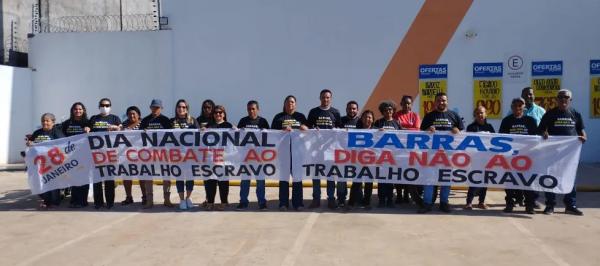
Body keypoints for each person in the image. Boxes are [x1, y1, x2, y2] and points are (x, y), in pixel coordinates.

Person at [539, 89, 587, 216]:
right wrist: (544, 133)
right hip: (553, 153)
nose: (562, 99)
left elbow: (581, 131)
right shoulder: (550, 114)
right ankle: (550, 205)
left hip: (569, 154)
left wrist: (583, 137)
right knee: (550, 178)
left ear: (570, 100)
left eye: (566, 97)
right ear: (556, 99)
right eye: (560, 97)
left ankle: (570, 205)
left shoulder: (575, 114)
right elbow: (541, 130)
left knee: (570, 178)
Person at [418, 92, 464, 213]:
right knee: (429, 179)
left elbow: (462, 134)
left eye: (443, 100)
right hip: (431, 155)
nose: (441, 102)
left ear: (447, 102)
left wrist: (457, 130)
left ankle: (444, 203)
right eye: (439, 100)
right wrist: (428, 130)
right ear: (435, 102)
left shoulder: (454, 115)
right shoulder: (429, 116)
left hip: (448, 155)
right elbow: (421, 133)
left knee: (446, 179)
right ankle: (427, 203)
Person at [499, 98, 539, 214]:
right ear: (512, 107)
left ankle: (529, 206)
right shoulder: (506, 121)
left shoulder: (530, 120)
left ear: (524, 107)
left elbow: (535, 138)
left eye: (520, 105)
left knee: (528, 182)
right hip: (511, 157)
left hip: (527, 156)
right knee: (510, 181)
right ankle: (510, 204)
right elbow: (501, 137)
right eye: (515, 105)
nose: (518, 107)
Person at [306, 89, 342, 209]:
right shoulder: (313, 112)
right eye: (323, 97)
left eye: (327, 97)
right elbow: (307, 127)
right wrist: (311, 129)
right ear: (320, 98)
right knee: (316, 175)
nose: (325, 99)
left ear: (330, 98)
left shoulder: (335, 112)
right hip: (315, 149)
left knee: (330, 175)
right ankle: (316, 199)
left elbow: (340, 130)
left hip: (330, 151)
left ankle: (331, 199)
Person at [272, 95, 308, 211]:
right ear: (284, 104)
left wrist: (305, 128)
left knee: (297, 179)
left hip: (298, 153)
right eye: (288, 102)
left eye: (292, 102)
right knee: (284, 179)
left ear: (295, 104)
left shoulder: (301, 117)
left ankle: (298, 203)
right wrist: (282, 131)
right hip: (283, 154)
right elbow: (272, 134)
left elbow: (309, 132)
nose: (290, 104)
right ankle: (283, 203)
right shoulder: (278, 117)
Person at [26, 113, 66, 209]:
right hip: (39, 163)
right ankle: (47, 200)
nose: (45, 122)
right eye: (43, 120)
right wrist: (29, 143)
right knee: (41, 182)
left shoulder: (57, 132)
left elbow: (63, 145)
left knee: (52, 183)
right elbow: (31, 142)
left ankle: (54, 202)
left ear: (53, 122)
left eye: (47, 120)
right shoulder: (37, 133)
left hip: (53, 163)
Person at [236, 100, 270, 211]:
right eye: (249, 109)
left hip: (259, 157)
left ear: (258, 109)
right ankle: (243, 202)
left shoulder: (263, 121)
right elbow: (238, 138)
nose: (251, 111)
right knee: (245, 180)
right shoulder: (243, 121)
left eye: (253, 109)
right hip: (246, 157)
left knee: (260, 181)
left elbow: (269, 138)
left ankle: (262, 202)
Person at [139, 99, 173, 208]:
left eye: (157, 108)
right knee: (148, 177)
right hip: (149, 153)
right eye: (153, 107)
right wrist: (142, 132)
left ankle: (167, 200)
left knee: (166, 176)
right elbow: (138, 137)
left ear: (161, 108)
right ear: (150, 107)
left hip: (163, 153)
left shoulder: (166, 120)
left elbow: (171, 137)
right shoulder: (145, 120)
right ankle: (150, 201)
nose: (155, 109)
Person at [89, 98, 122, 209]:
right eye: (103, 105)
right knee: (97, 179)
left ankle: (110, 202)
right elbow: (88, 130)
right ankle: (98, 203)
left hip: (109, 153)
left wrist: (116, 127)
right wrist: (87, 129)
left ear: (110, 106)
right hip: (96, 153)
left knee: (109, 179)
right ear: (99, 106)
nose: (105, 107)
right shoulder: (94, 118)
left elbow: (122, 130)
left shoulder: (115, 118)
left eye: (107, 105)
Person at [464, 105, 495, 210]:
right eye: (477, 113)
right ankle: (469, 202)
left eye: (482, 113)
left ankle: (481, 202)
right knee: (474, 179)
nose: (480, 115)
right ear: (474, 115)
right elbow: (467, 143)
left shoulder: (490, 127)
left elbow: (494, 142)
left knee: (485, 180)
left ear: (486, 114)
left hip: (487, 159)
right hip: (475, 159)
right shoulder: (471, 127)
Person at [170, 99, 199, 210]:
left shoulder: (192, 121)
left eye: (183, 107)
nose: (181, 109)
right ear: (176, 109)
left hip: (190, 155)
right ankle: (182, 199)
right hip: (177, 155)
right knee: (180, 178)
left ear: (187, 109)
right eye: (179, 107)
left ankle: (188, 198)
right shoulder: (172, 121)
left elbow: (198, 137)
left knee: (190, 178)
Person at [393, 95, 422, 205]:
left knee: (408, 172)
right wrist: (406, 129)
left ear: (411, 104)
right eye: (404, 103)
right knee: (398, 172)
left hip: (412, 149)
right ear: (401, 104)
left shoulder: (415, 115)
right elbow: (396, 129)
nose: (407, 105)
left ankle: (406, 195)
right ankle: (399, 195)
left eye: (409, 103)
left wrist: (403, 129)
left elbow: (417, 130)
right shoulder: (396, 115)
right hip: (399, 149)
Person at [61, 102, 91, 208]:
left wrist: (89, 130)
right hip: (71, 155)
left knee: (83, 178)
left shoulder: (88, 122)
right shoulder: (67, 123)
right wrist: (33, 137)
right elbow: (57, 133)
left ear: (83, 110)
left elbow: (97, 133)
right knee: (74, 178)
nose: (78, 111)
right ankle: (74, 200)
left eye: (80, 109)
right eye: (75, 109)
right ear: (72, 111)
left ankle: (83, 201)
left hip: (84, 155)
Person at [205, 105, 234, 211]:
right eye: (216, 112)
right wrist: (202, 131)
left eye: (220, 112)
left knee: (223, 182)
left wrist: (236, 130)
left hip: (224, 158)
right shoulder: (209, 126)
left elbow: (234, 141)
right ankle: (210, 202)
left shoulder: (228, 125)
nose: (218, 114)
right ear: (213, 114)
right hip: (211, 159)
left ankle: (224, 202)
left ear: (224, 114)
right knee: (211, 181)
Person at [374, 101, 402, 208]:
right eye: (386, 110)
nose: (388, 111)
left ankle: (390, 199)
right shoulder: (378, 122)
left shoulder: (397, 123)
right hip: (381, 156)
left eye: (390, 109)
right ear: (382, 111)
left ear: (393, 111)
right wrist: (377, 131)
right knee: (381, 180)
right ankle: (381, 200)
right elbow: (372, 136)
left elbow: (403, 137)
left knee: (391, 179)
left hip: (393, 156)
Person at [347, 110, 375, 209]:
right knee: (356, 183)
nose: (368, 119)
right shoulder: (356, 131)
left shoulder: (377, 131)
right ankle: (351, 203)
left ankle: (367, 203)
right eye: (365, 117)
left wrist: (382, 132)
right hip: (358, 161)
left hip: (371, 162)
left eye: (370, 117)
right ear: (362, 119)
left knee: (369, 183)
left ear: (372, 119)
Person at [120, 106, 145, 206]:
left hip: (141, 154)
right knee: (126, 177)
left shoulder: (143, 123)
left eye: (134, 113)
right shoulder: (124, 124)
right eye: (129, 114)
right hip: (126, 155)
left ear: (138, 115)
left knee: (142, 177)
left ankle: (145, 197)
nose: (132, 115)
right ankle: (129, 197)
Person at [337, 101, 360, 208]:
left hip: (358, 155)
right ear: (346, 109)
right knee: (342, 178)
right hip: (343, 154)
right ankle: (341, 199)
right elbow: (334, 133)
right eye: (350, 108)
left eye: (354, 109)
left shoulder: (360, 121)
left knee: (358, 178)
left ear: (357, 110)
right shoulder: (341, 120)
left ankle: (357, 198)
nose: (352, 110)